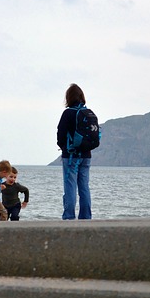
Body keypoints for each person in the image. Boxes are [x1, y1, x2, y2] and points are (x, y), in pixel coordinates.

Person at [57, 83, 94, 220]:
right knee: (84, 187)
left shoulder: (68, 113)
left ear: (69, 97)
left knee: (70, 187)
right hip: (86, 155)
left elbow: (60, 133)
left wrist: (63, 147)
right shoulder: (88, 113)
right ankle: (86, 217)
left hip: (71, 156)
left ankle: (69, 217)